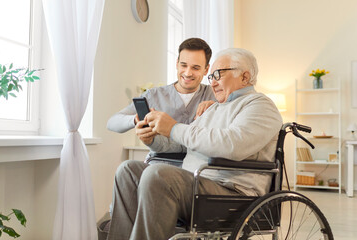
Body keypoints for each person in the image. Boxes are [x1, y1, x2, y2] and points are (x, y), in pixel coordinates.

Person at [107, 48, 283, 240]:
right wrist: (152, 140)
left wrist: (174, 127)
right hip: (199, 185)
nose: (213, 82)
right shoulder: (214, 107)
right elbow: (185, 145)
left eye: (218, 74)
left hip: (231, 192)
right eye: (211, 77)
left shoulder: (260, 105)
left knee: (157, 174)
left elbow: (232, 144)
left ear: (244, 76)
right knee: (128, 171)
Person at [106, 37, 216, 134]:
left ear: (206, 70)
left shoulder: (215, 94)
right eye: (183, 65)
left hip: (198, 156)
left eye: (195, 68)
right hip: (159, 156)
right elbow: (112, 123)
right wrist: (137, 119)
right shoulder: (154, 95)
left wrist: (217, 107)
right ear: (177, 64)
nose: (187, 73)